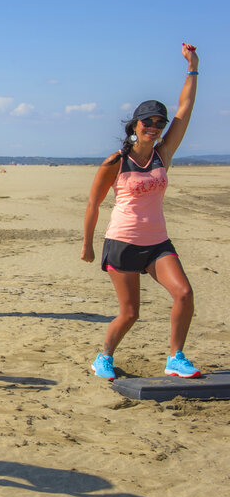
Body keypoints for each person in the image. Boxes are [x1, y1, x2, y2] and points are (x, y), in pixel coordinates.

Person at [82, 43, 201, 381]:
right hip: (122, 241)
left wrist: (193, 67)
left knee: (184, 293)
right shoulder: (116, 162)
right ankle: (104, 357)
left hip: (157, 242)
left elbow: (186, 107)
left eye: (159, 122)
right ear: (135, 125)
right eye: (147, 121)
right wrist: (88, 245)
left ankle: (175, 357)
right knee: (130, 313)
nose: (154, 126)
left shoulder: (164, 153)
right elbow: (93, 203)